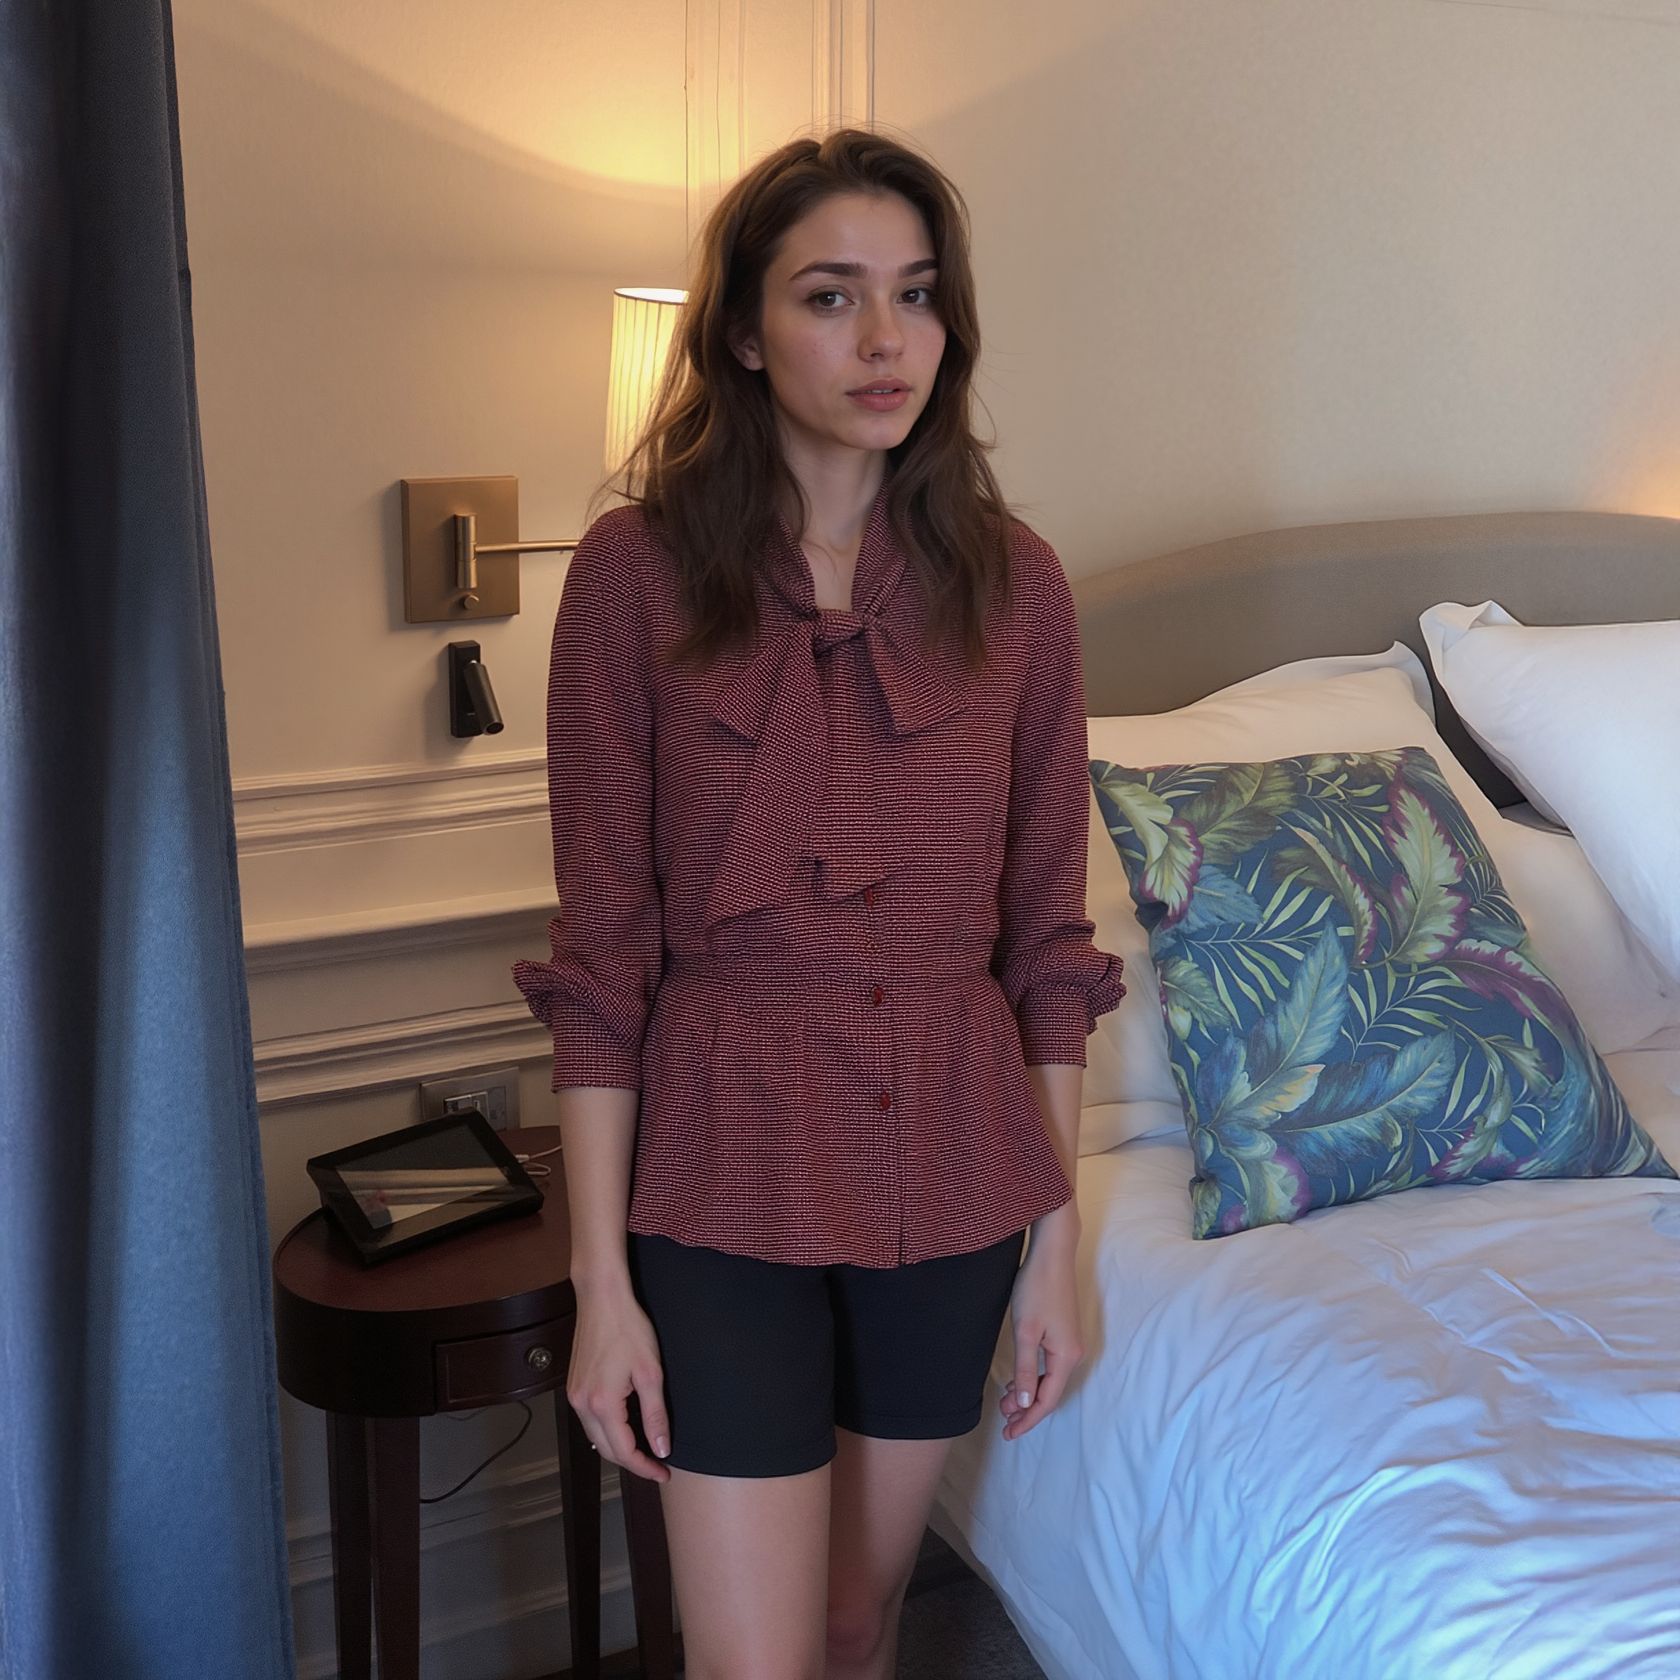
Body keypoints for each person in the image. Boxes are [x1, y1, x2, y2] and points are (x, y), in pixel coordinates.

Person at [514, 128, 1122, 1680]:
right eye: (830, 295)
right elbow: (601, 969)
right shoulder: (635, 579)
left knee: (859, 1630)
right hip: (721, 1172)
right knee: (755, 1665)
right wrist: (601, 1293)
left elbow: (1047, 948)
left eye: (914, 296)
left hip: (954, 1160)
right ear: (738, 329)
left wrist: (1059, 1247)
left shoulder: (1018, 587)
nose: (882, 340)